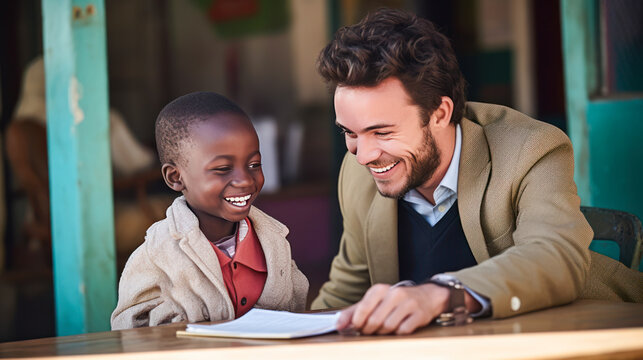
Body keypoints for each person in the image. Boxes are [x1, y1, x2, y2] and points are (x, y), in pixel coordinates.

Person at [311, 8, 642, 335]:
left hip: (573, 339)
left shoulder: (531, 148)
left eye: (382, 132)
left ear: (440, 113)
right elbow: (346, 293)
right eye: (350, 133)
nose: (363, 155)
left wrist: (442, 295)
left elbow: (555, 255)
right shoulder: (358, 175)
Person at [111, 92, 309, 329]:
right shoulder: (155, 255)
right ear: (175, 177)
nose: (244, 180)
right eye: (223, 168)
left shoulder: (274, 243)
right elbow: (130, 330)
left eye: (254, 164)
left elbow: (296, 311)